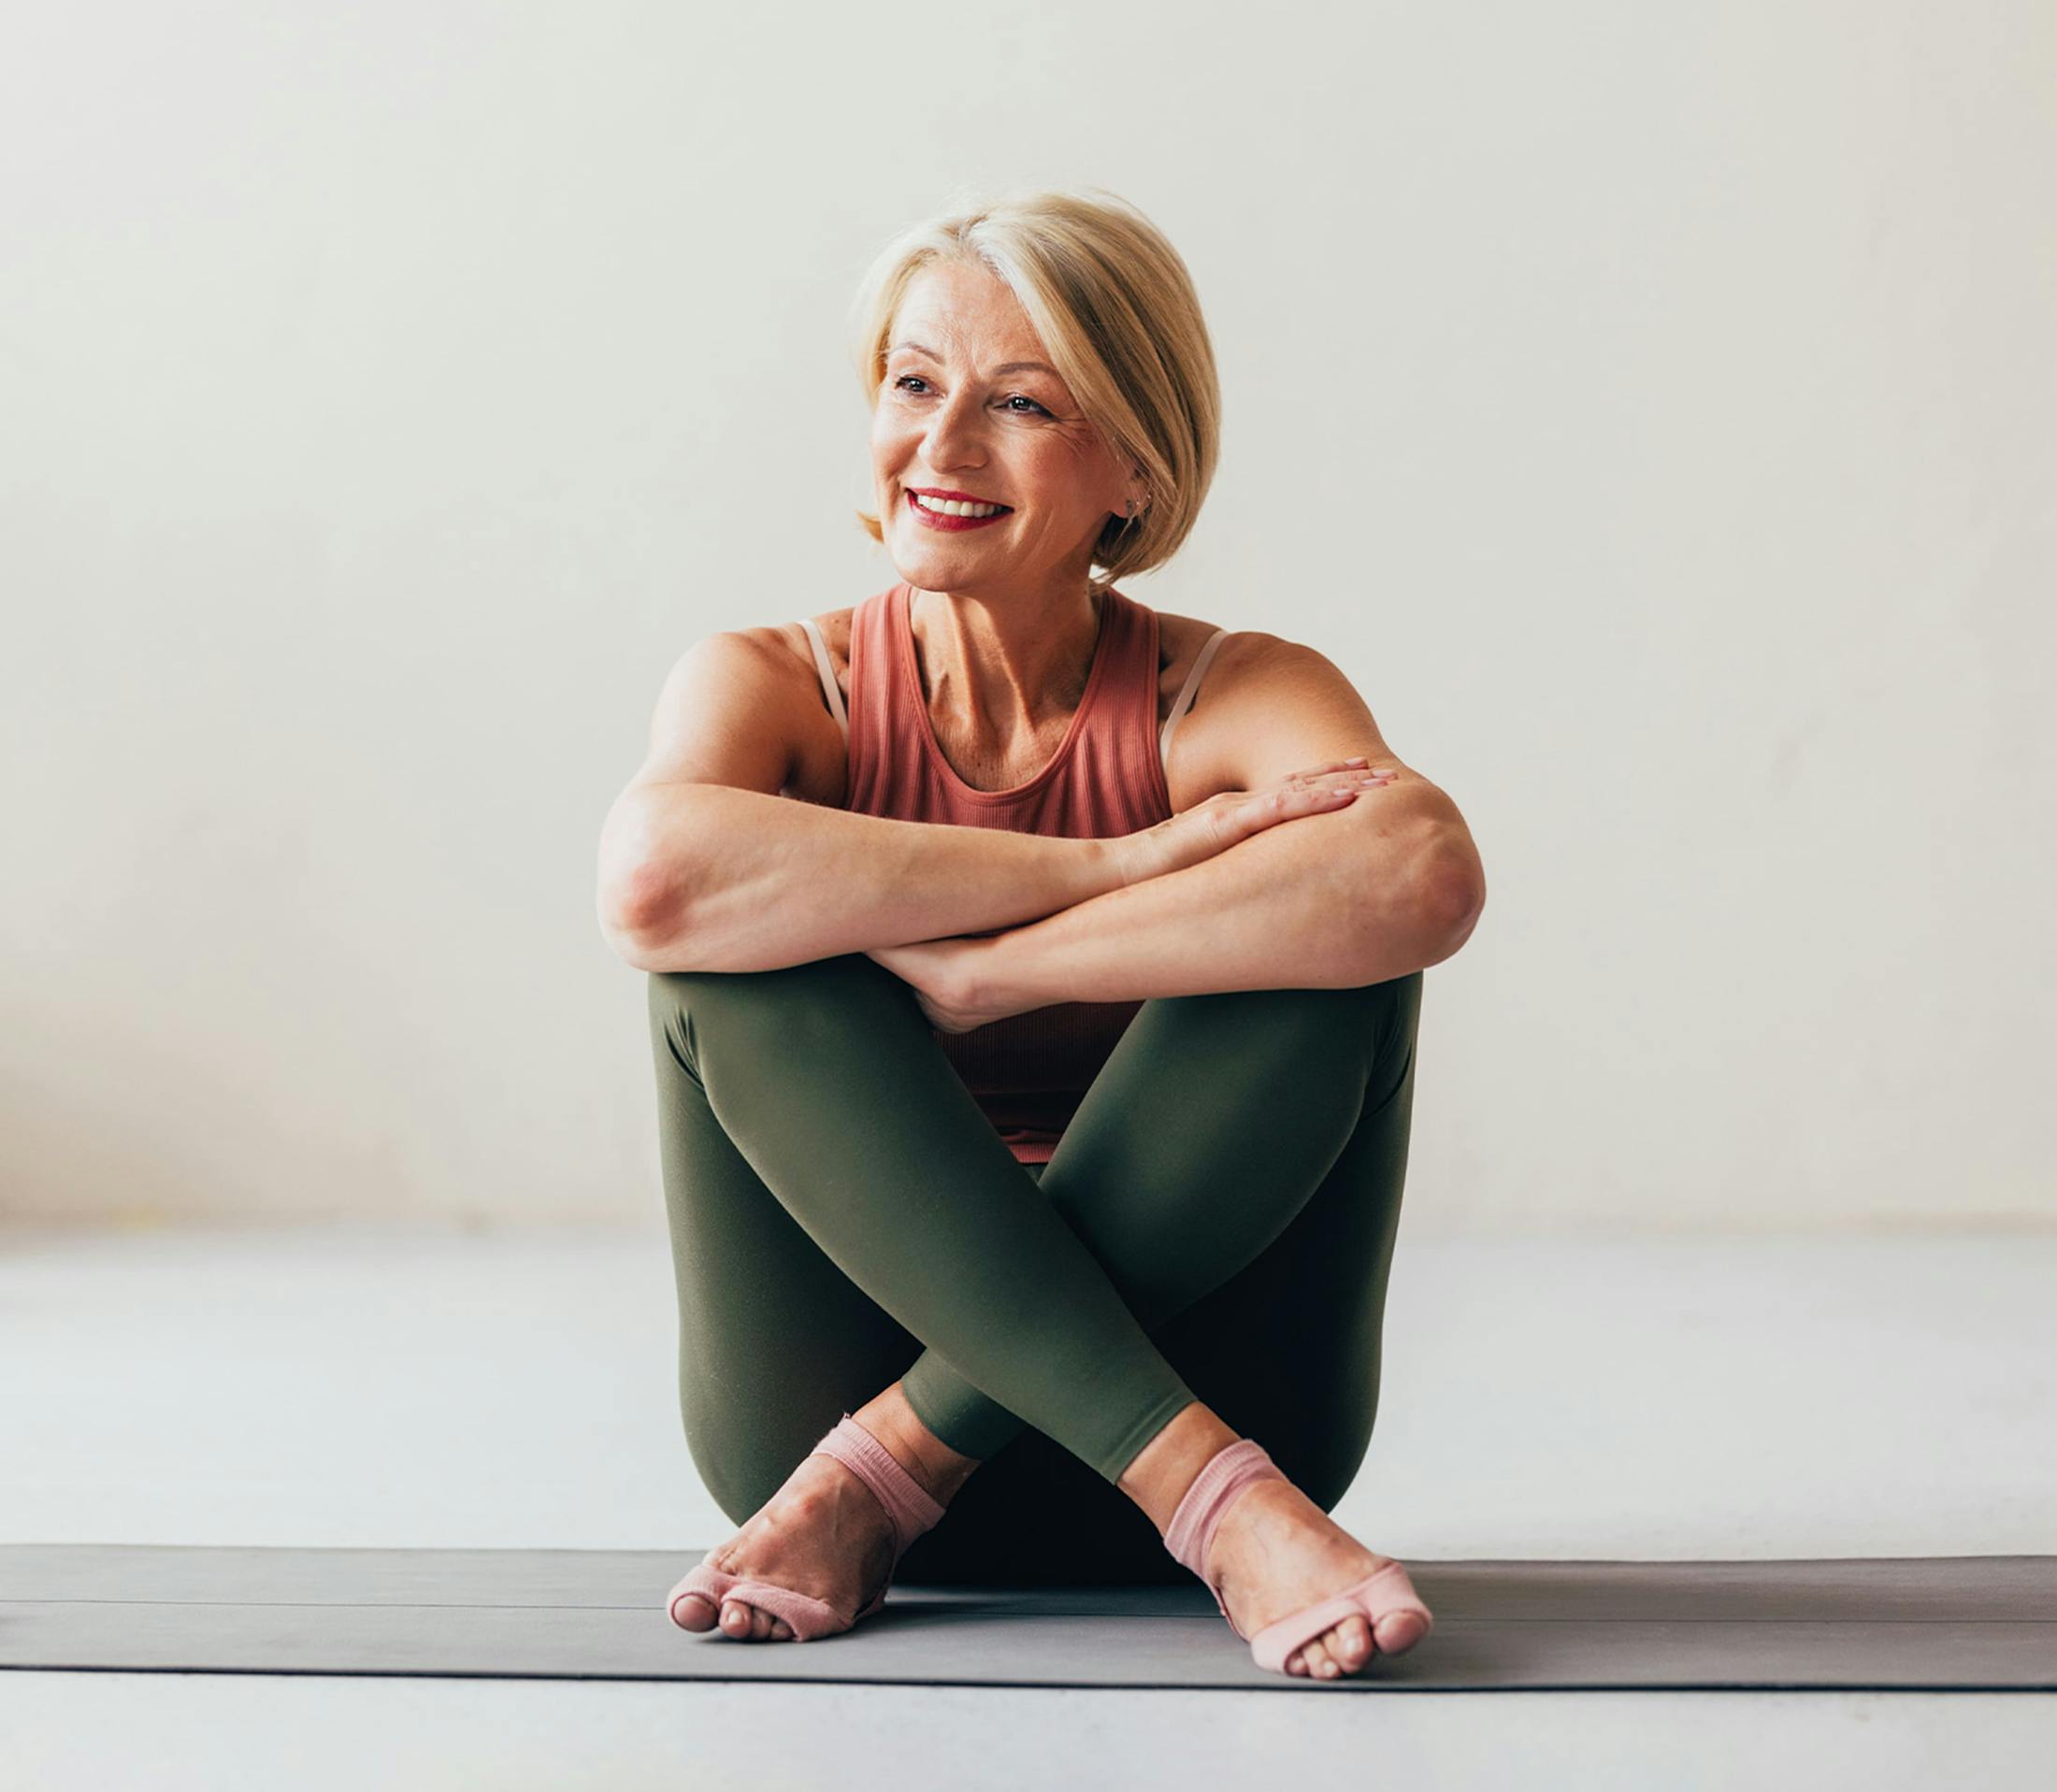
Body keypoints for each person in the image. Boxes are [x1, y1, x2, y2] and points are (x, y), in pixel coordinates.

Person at [596, 189, 1486, 1682]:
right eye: (914, 384)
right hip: (813, 1415)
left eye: (1019, 402)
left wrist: (995, 968)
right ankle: (1202, 1493)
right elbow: (655, 883)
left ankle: (919, 1458)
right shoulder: (779, 684)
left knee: (1331, 947)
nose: (942, 450)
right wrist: (1113, 865)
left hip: (1142, 1415)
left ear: (1134, 465)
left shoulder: (1228, 693)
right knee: (733, 951)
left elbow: (1420, 866)